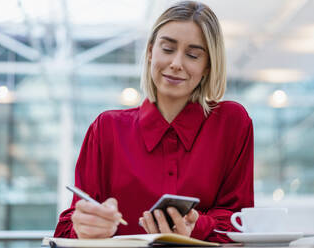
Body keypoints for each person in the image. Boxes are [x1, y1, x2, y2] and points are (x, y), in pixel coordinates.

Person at [54, 0, 254, 243]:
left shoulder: (231, 123)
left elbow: (240, 219)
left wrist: (196, 225)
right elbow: (66, 228)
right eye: (168, 49)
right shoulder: (106, 128)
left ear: (208, 66)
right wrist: (85, 229)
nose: (176, 63)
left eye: (192, 55)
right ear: (150, 52)